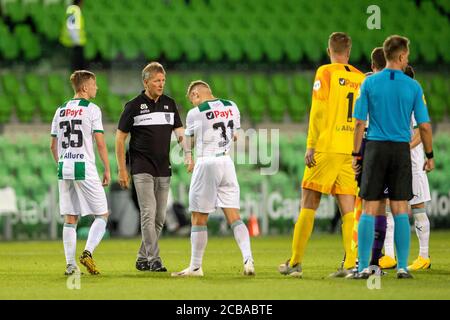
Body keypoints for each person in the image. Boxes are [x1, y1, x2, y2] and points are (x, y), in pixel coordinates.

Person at [278, 32, 365, 278]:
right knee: (348, 208)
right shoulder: (360, 77)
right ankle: (350, 264)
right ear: (348, 52)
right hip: (350, 149)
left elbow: (318, 110)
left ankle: (295, 262)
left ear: (329, 51)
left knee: (309, 202)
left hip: (327, 146)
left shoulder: (325, 72)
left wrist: (311, 145)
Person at [351, 35, 434, 279]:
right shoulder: (412, 87)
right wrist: (429, 155)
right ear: (400, 56)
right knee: (400, 210)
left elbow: (359, 123)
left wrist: (357, 154)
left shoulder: (369, 83)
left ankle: (364, 266)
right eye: (406, 55)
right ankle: (402, 267)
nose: (407, 58)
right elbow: (425, 127)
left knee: (370, 208)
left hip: (376, 148)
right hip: (400, 150)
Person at [171, 80, 255, 277]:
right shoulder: (231, 106)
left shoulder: (195, 113)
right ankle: (248, 259)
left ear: (195, 95)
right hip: (226, 163)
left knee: (198, 217)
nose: (192, 104)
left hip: (207, 163)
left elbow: (188, 143)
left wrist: (187, 156)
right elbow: (234, 136)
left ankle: (195, 267)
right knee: (234, 216)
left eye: (191, 100)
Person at [115, 62, 185, 272]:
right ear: (146, 82)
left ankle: (142, 257)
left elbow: (180, 133)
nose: (161, 84)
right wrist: (122, 169)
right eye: (157, 81)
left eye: (163, 80)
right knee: (148, 212)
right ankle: (155, 259)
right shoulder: (133, 106)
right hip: (141, 167)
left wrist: (190, 151)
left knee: (159, 217)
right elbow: (120, 139)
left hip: (164, 167)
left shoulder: (170, 104)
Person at [50, 70, 110, 275]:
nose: (97, 87)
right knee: (102, 214)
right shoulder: (92, 109)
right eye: (94, 84)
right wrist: (107, 168)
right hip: (84, 165)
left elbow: (53, 146)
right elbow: (100, 143)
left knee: (70, 218)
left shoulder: (60, 110)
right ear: (84, 87)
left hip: (64, 167)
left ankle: (70, 265)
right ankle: (87, 252)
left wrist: (62, 163)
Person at [381, 65, 433, 271]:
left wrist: (405, 146)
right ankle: (390, 255)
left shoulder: (415, 96)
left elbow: (423, 129)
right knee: (387, 206)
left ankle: (423, 256)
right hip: (395, 159)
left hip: (413, 161)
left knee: (417, 206)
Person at [59, 0, 86, 71]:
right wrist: (76, 41)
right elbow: (72, 29)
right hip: (76, 44)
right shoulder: (74, 13)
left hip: (77, 43)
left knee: (78, 68)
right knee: (77, 68)